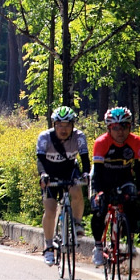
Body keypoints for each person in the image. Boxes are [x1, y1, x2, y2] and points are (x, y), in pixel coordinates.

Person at [90, 107, 140, 266]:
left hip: (124, 177)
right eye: (115, 128)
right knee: (99, 210)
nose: (120, 131)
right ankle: (98, 247)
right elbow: (98, 173)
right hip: (102, 177)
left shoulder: (137, 142)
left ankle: (129, 240)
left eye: (124, 127)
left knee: (133, 201)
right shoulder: (101, 143)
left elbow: (139, 171)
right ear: (109, 128)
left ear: (130, 127)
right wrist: (99, 192)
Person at [36, 106, 90, 266]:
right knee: (50, 209)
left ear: (73, 125)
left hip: (69, 171)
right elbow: (39, 160)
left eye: (67, 125)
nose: (63, 129)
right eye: (60, 125)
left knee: (76, 190)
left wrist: (86, 173)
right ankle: (48, 246)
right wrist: (43, 175)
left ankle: (77, 223)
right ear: (54, 124)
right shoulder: (45, 137)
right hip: (49, 174)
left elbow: (85, 158)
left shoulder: (79, 136)